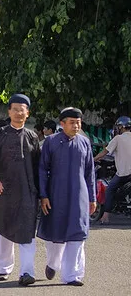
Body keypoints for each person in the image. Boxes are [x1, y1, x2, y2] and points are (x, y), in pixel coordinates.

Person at [0, 93, 40, 286]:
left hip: (27, 192)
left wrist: (42, 193)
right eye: (15, 109)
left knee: (27, 232)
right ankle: (4, 268)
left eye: (22, 109)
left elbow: (39, 167)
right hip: (4, 191)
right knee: (4, 230)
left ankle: (27, 272)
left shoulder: (33, 136)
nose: (18, 113)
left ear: (28, 113)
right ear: (9, 111)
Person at [38, 107, 96, 286]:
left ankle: (72, 275)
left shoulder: (85, 142)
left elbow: (90, 172)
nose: (76, 126)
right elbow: (42, 169)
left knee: (77, 233)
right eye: (72, 122)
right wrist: (44, 195)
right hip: (57, 194)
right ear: (62, 124)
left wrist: (92, 197)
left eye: (78, 122)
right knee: (57, 233)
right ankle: (53, 263)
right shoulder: (51, 142)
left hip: (79, 195)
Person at [94, 115, 131, 224]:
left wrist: (94, 158)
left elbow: (105, 152)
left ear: (122, 127)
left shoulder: (118, 139)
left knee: (110, 190)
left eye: (118, 127)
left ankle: (105, 216)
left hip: (124, 173)